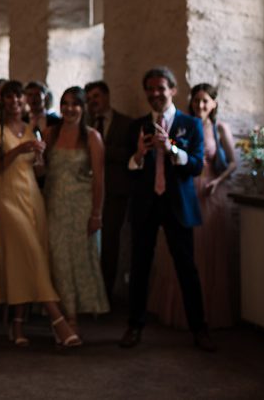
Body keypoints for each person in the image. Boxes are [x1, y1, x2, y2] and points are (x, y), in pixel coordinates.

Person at [120, 67, 215, 352]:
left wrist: (171, 147)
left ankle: (199, 329)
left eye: (160, 88)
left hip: (178, 204)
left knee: (187, 268)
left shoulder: (190, 123)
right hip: (146, 204)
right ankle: (134, 326)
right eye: (149, 89)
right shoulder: (136, 126)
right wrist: (139, 154)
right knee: (139, 267)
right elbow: (130, 171)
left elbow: (197, 166)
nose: (154, 94)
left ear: (173, 90)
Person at [0, 80, 81, 347]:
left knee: (30, 256)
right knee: (29, 250)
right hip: (6, 195)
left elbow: (39, 170)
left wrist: (41, 158)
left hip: (32, 195)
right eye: (10, 99)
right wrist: (19, 149)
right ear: (3, 102)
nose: (15, 104)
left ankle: (17, 324)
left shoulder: (33, 129)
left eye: (19, 100)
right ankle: (58, 320)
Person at [147, 83, 237, 330]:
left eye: (205, 101)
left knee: (208, 250)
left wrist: (217, 181)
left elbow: (233, 162)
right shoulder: (183, 124)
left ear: (214, 103)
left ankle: (207, 311)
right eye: (196, 101)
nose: (200, 105)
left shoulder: (219, 128)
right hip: (184, 189)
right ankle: (176, 311)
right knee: (185, 251)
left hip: (209, 191)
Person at [43, 87, 109, 334]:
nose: (69, 109)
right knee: (57, 260)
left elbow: (99, 180)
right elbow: (43, 171)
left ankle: (73, 317)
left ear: (83, 108)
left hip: (81, 208)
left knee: (80, 262)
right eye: (65, 104)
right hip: (54, 206)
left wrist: (96, 214)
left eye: (75, 104)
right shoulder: (51, 133)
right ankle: (63, 315)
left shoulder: (92, 137)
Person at [85, 80, 134, 303]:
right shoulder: (84, 123)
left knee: (110, 243)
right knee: (87, 243)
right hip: (85, 191)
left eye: (95, 97)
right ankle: (87, 290)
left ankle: (104, 294)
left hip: (115, 193)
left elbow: (130, 155)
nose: (92, 102)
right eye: (89, 98)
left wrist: (101, 148)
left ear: (106, 96)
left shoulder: (125, 123)